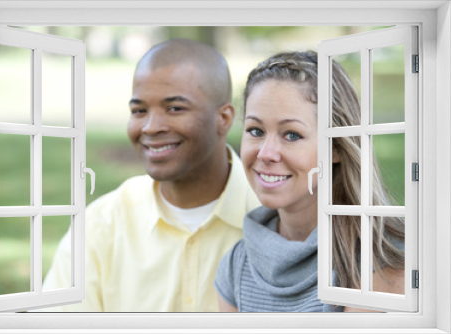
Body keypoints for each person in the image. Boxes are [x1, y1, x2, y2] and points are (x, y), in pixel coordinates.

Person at [39, 39, 260, 312]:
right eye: (139, 111)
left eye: (175, 108)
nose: (151, 127)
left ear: (224, 118)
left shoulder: (276, 218)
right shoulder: (100, 226)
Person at [214, 51, 405, 312]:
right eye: (256, 131)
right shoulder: (236, 265)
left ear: (336, 147)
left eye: (291, 135)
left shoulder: (383, 261)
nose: (266, 153)